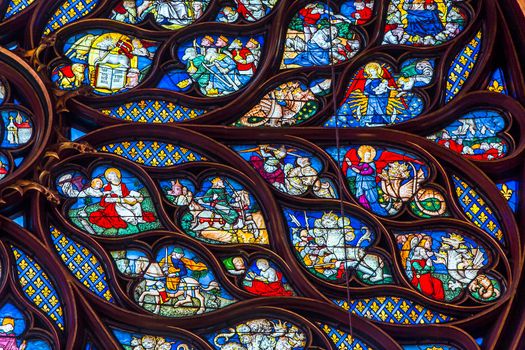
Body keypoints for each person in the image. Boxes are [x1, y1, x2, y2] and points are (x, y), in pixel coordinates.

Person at [89, 168, 155, 229]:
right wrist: (119, 200)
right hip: (116, 205)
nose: (115, 177)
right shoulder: (108, 187)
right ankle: (134, 221)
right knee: (129, 215)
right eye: (112, 176)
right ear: (109, 179)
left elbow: (127, 193)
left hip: (126, 202)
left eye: (115, 175)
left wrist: (137, 195)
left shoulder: (123, 185)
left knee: (137, 205)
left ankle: (139, 219)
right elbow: (107, 199)